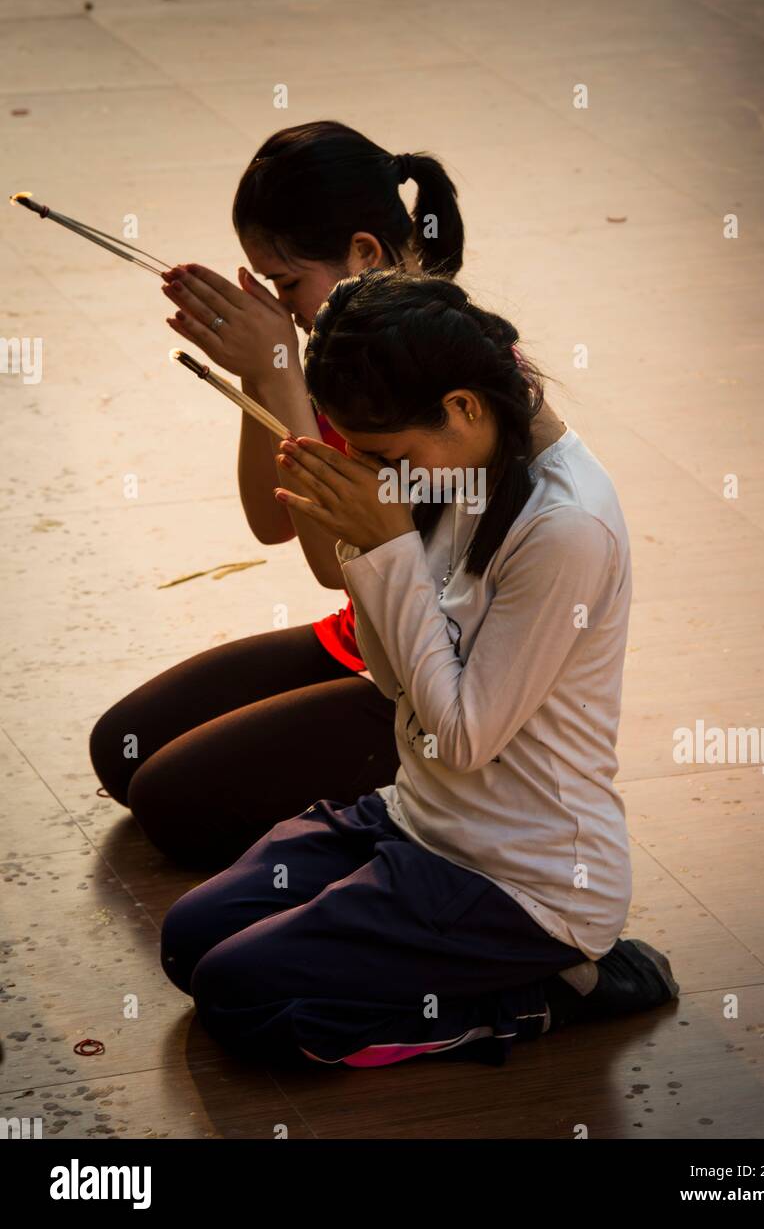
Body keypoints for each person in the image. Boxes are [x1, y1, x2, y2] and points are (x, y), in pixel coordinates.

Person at [160, 270, 679, 1071]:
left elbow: (465, 736)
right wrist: (363, 544)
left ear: (464, 407)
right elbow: (396, 680)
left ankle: (540, 995)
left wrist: (388, 549)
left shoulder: (564, 526)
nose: (380, 475)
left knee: (243, 997)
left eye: (384, 454)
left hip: (523, 879)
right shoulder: (453, 466)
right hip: (419, 818)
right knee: (188, 939)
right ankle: (440, 954)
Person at [89, 122, 464, 868]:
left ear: (363, 252)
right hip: (365, 635)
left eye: (287, 284)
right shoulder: (342, 348)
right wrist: (264, 378)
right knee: (119, 752)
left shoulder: (437, 370)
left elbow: (340, 562)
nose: (282, 307)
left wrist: (283, 375)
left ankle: (417, 815)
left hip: (432, 683)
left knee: (172, 803)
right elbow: (271, 522)